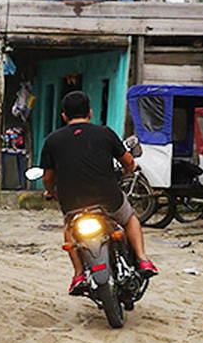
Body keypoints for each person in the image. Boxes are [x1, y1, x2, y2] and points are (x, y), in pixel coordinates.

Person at [40, 90, 158, 295]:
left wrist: (50, 191)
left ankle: (79, 274)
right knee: (130, 218)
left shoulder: (52, 140)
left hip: (73, 202)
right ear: (90, 113)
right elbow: (128, 161)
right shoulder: (105, 133)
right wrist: (129, 170)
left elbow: (48, 178)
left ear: (64, 116)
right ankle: (142, 259)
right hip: (108, 198)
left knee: (69, 229)